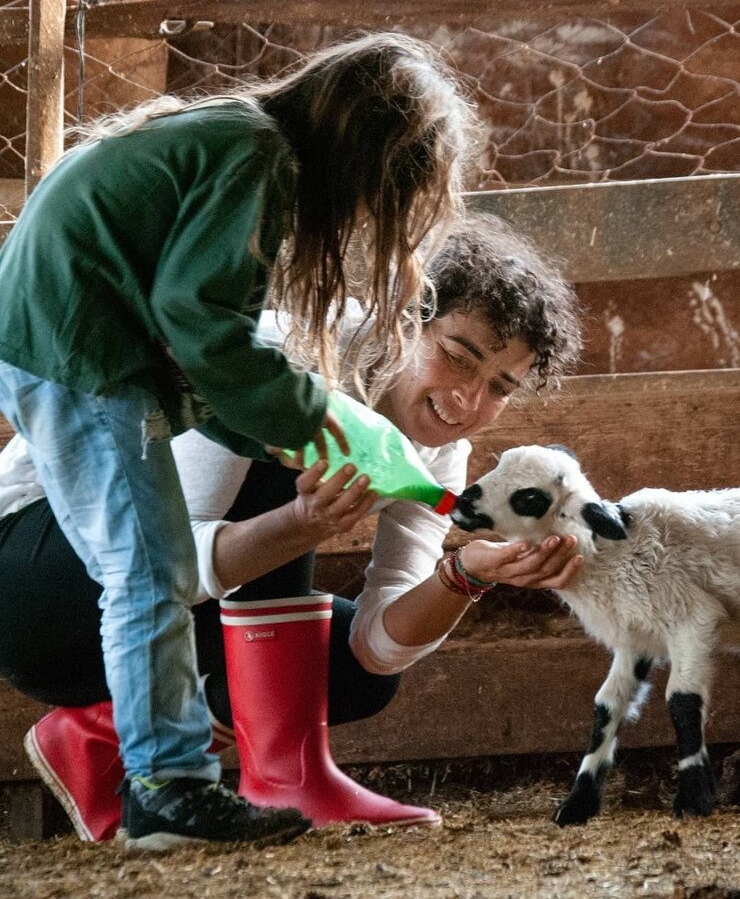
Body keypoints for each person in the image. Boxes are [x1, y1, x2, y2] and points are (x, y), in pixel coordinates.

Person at [0, 32, 478, 850]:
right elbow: (199, 320)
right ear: (363, 153)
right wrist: (303, 415)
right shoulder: (257, 155)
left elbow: (191, 330)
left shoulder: (241, 140)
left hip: (87, 336)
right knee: (147, 572)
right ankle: (169, 788)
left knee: (152, 569)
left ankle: (173, 776)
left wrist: (274, 426)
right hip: (80, 345)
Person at [0, 213, 584, 841]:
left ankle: (102, 740)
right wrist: (303, 523)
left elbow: (377, 646)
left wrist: (468, 573)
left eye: (499, 387)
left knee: (348, 673)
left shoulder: (435, 443)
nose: (468, 401)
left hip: (142, 635)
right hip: (38, 589)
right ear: (405, 317)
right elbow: (162, 562)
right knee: (295, 437)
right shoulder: (281, 359)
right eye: (456, 357)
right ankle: (281, 772)